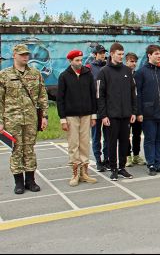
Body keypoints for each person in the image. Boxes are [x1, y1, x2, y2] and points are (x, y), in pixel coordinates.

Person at [0, 44, 49, 195]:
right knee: (16, 151)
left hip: (30, 119)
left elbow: (42, 96)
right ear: (14, 55)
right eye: (21, 54)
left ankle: (30, 181)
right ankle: (18, 183)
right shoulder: (4, 75)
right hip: (11, 120)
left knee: (29, 150)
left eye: (26, 54)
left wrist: (45, 116)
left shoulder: (35, 74)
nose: (25, 56)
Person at [57, 50, 98, 187]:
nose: (80, 63)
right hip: (71, 116)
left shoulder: (88, 74)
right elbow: (60, 99)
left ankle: (84, 173)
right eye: (77, 60)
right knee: (74, 144)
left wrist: (94, 115)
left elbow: (93, 95)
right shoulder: (64, 76)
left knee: (85, 144)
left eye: (81, 60)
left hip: (86, 115)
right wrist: (63, 119)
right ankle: (75, 174)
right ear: (70, 61)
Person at [97, 43, 137, 181]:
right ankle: (113, 169)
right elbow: (100, 95)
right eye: (119, 54)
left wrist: (133, 111)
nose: (121, 56)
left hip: (126, 114)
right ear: (112, 53)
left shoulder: (127, 71)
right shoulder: (104, 71)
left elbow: (133, 93)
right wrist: (103, 115)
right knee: (112, 143)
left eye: (122, 54)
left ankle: (122, 167)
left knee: (125, 142)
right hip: (111, 116)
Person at [135, 45, 160, 176]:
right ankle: (151, 164)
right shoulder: (141, 72)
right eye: (156, 54)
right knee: (150, 139)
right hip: (148, 112)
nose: (159, 56)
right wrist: (139, 112)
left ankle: (159, 163)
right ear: (149, 55)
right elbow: (137, 94)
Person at [87, 45, 109, 172]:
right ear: (95, 54)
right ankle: (98, 160)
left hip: (107, 106)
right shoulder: (90, 68)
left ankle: (107, 159)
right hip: (95, 107)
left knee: (108, 135)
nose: (102, 55)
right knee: (96, 135)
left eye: (103, 53)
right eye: (100, 53)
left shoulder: (108, 66)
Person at [125, 53, 146, 167]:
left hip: (137, 110)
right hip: (126, 111)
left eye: (134, 61)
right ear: (126, 61)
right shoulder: (122, 74)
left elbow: (140, 94)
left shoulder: (138, 75)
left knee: (137, 134)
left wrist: (139, 112)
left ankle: (136, 155)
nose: (133, 63)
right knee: (126, 135)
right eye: (131, 61)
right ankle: (127, 156)